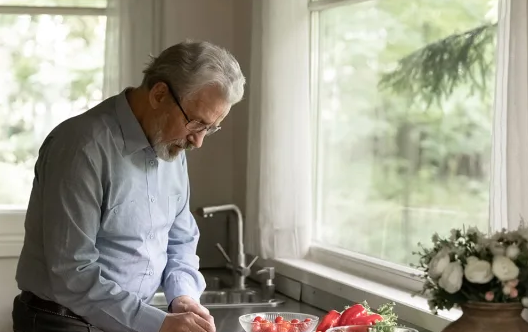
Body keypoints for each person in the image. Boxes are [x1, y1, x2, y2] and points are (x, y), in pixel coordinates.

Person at [11, 40, 246, 332]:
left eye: (210, 128)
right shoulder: (81, 147)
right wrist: (158, 323)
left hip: (123, 321)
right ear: (159, 94)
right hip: (61, 322)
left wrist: (182, 295)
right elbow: (73, 273)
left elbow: (181, 240)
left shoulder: (172, 148)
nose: (198, 141)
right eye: (196, 123)